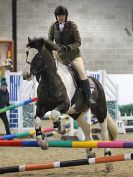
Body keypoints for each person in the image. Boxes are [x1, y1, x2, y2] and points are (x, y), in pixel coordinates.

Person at [48, 5, 96, 107]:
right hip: (60, 57)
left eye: (62, 15)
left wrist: (68, 47)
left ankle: (88, 97)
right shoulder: (53, 27)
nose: (61, 17)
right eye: (58, 15)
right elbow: (49, 41)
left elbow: (78, 42)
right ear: (56, 16)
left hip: (74, 56)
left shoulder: (72, 25)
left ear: (66, 16)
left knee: (81, 72)